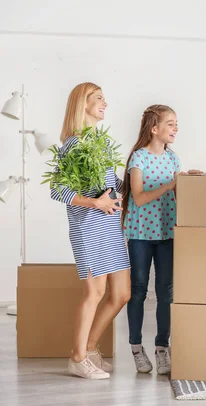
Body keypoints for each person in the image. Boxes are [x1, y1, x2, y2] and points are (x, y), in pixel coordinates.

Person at [52, 82, 130, 380]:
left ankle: (91, 347)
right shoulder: (73, 144)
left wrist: (138, 186)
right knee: (95, 291)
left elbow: (113, 186)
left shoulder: (103, 144)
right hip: (89, 226)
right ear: (82, 104)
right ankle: (77, 357)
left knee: (121, 293)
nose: (105, 103)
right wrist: (95, 202)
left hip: (110, 226)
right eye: (98, 98)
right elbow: (58, 189)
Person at [121, 105, 198, 375]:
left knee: (166, 292)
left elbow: (178, 197)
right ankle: (135, 348)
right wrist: (170, 184)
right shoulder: (138, 160)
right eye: (171, 124)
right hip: (141, 234)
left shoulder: (173, 159)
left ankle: (162, 349)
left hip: (167, 233)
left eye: (176, 124)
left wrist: (189, 183)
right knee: (139, 290)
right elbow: (139, 198)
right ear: (154, 129)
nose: (176, 128)